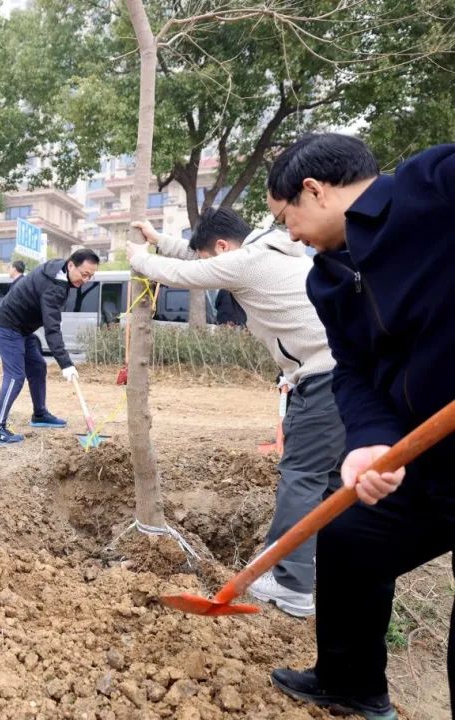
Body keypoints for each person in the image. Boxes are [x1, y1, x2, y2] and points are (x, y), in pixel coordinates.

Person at [262, 134, 455, 720]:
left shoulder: (433, 186)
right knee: (351, 534)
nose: (290, 234)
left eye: (285, 217)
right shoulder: (326, 278)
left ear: (314, 191)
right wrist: (370, 439)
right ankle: (351, 682)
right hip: (423, 451)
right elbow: (352, 370)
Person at [127, 208, 343, 617]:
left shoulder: (248, 261)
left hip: (323, 378)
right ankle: (315, 563)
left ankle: (291, 584)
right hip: (347, 374)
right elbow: (203, 261)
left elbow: (188, 273)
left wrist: (139, 258)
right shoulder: (267, 250)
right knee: (330, 479)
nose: (211, 264)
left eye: (212, 256)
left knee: (302, 476)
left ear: (224, 246)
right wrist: (160, 240)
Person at [0, 248, 100, 446]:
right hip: (7, 326)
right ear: (71, 265)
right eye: (84, 274)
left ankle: (39, 414)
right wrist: (66, 364)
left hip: (22, 328)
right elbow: (52, 329)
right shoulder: (54, 287)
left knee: (38, 366)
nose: (86, 280)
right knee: (15, 376)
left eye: (90, 276)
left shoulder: (58, 268)